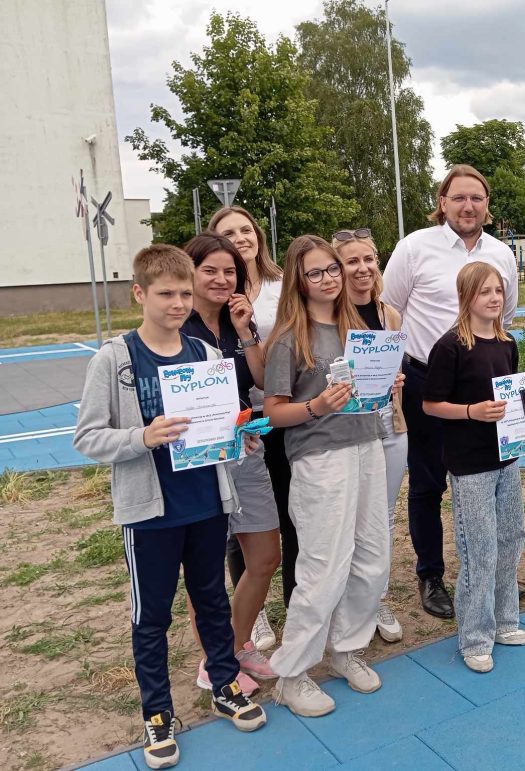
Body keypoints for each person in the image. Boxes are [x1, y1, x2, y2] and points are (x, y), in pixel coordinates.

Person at [73, 245, 267, 769]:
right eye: (166, 294)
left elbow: (220, 424)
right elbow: (87, 437)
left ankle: (224, 684)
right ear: (139, 293)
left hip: (207, 503)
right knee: (152, 616)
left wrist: (239, 438)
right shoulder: (115, 359)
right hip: (150, 513)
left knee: (212, 601)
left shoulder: (203, 355)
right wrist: (142, 437)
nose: (178, 303)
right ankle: (158, 713)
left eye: (184, 293)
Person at [381, 165, 518, 620]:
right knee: (427, 484)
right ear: (442, 202)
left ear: (487, 204)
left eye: (476, 198)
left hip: (484, 388)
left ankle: (486, 570)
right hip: (427, 380)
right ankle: (430, 573)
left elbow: (505, 316)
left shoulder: (502, 254)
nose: (467, 206)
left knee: (486, 480)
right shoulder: (414, 247)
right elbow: (390, 308)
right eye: (458, 198)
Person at [263, 235, 392, 717]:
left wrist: (386, 383)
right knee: (324, 568)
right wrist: (317, 405)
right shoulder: (288, 338)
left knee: (373, 558)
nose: (328, 279)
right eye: (315, 272)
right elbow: (273, 412)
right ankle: (291, 674)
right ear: (299, 281)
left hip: (367, 445)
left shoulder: (356, 327)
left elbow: (369, 390)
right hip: (320, 457)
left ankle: (346, 648)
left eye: (332, 269)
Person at [423, 262, 525, 672]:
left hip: (507, 457)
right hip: (470, 464)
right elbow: (431, 404)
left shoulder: (506, 342)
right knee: (479, 549)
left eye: (498, 290)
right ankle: (475, 637)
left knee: (511, 538)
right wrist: (471, 411)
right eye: (484, 292)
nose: (494, 298)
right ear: (466, 297)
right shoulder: (450, 347)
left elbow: (511, 396)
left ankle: (505, 620)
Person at [179, 233, 280, 692]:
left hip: (245, 452)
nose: (221, 280)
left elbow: (262, 381)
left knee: (266, 556)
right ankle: (214, 662)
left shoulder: (239, 320)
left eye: (230, 272)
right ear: (190, 273)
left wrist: (246, 333)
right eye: (210, 271)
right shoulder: (176, 325)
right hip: (198, 462)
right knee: (204, 571)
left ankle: (236, 647)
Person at [209, 206, 290, 653]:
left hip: (283, 409)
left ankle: (294, 601)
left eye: (246, 229)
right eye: (229, 232)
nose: (240, 237)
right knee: (241, 524)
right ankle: (251, 612)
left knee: (285, 516)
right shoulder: (217, 291)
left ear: (258, 235)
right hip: (238, 419)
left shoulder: (281, 285)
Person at [333, 228, 407, 643]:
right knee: (350, 519)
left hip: (390, 426)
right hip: (347, 431)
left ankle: (376, 597)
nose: (362, 268)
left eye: (368, 259)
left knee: (384, 517)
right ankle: (346, 601)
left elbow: (395, 368)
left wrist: (397, 381)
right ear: (337, 268)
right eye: (351, 261)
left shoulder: (388, 314)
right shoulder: (328, 315)